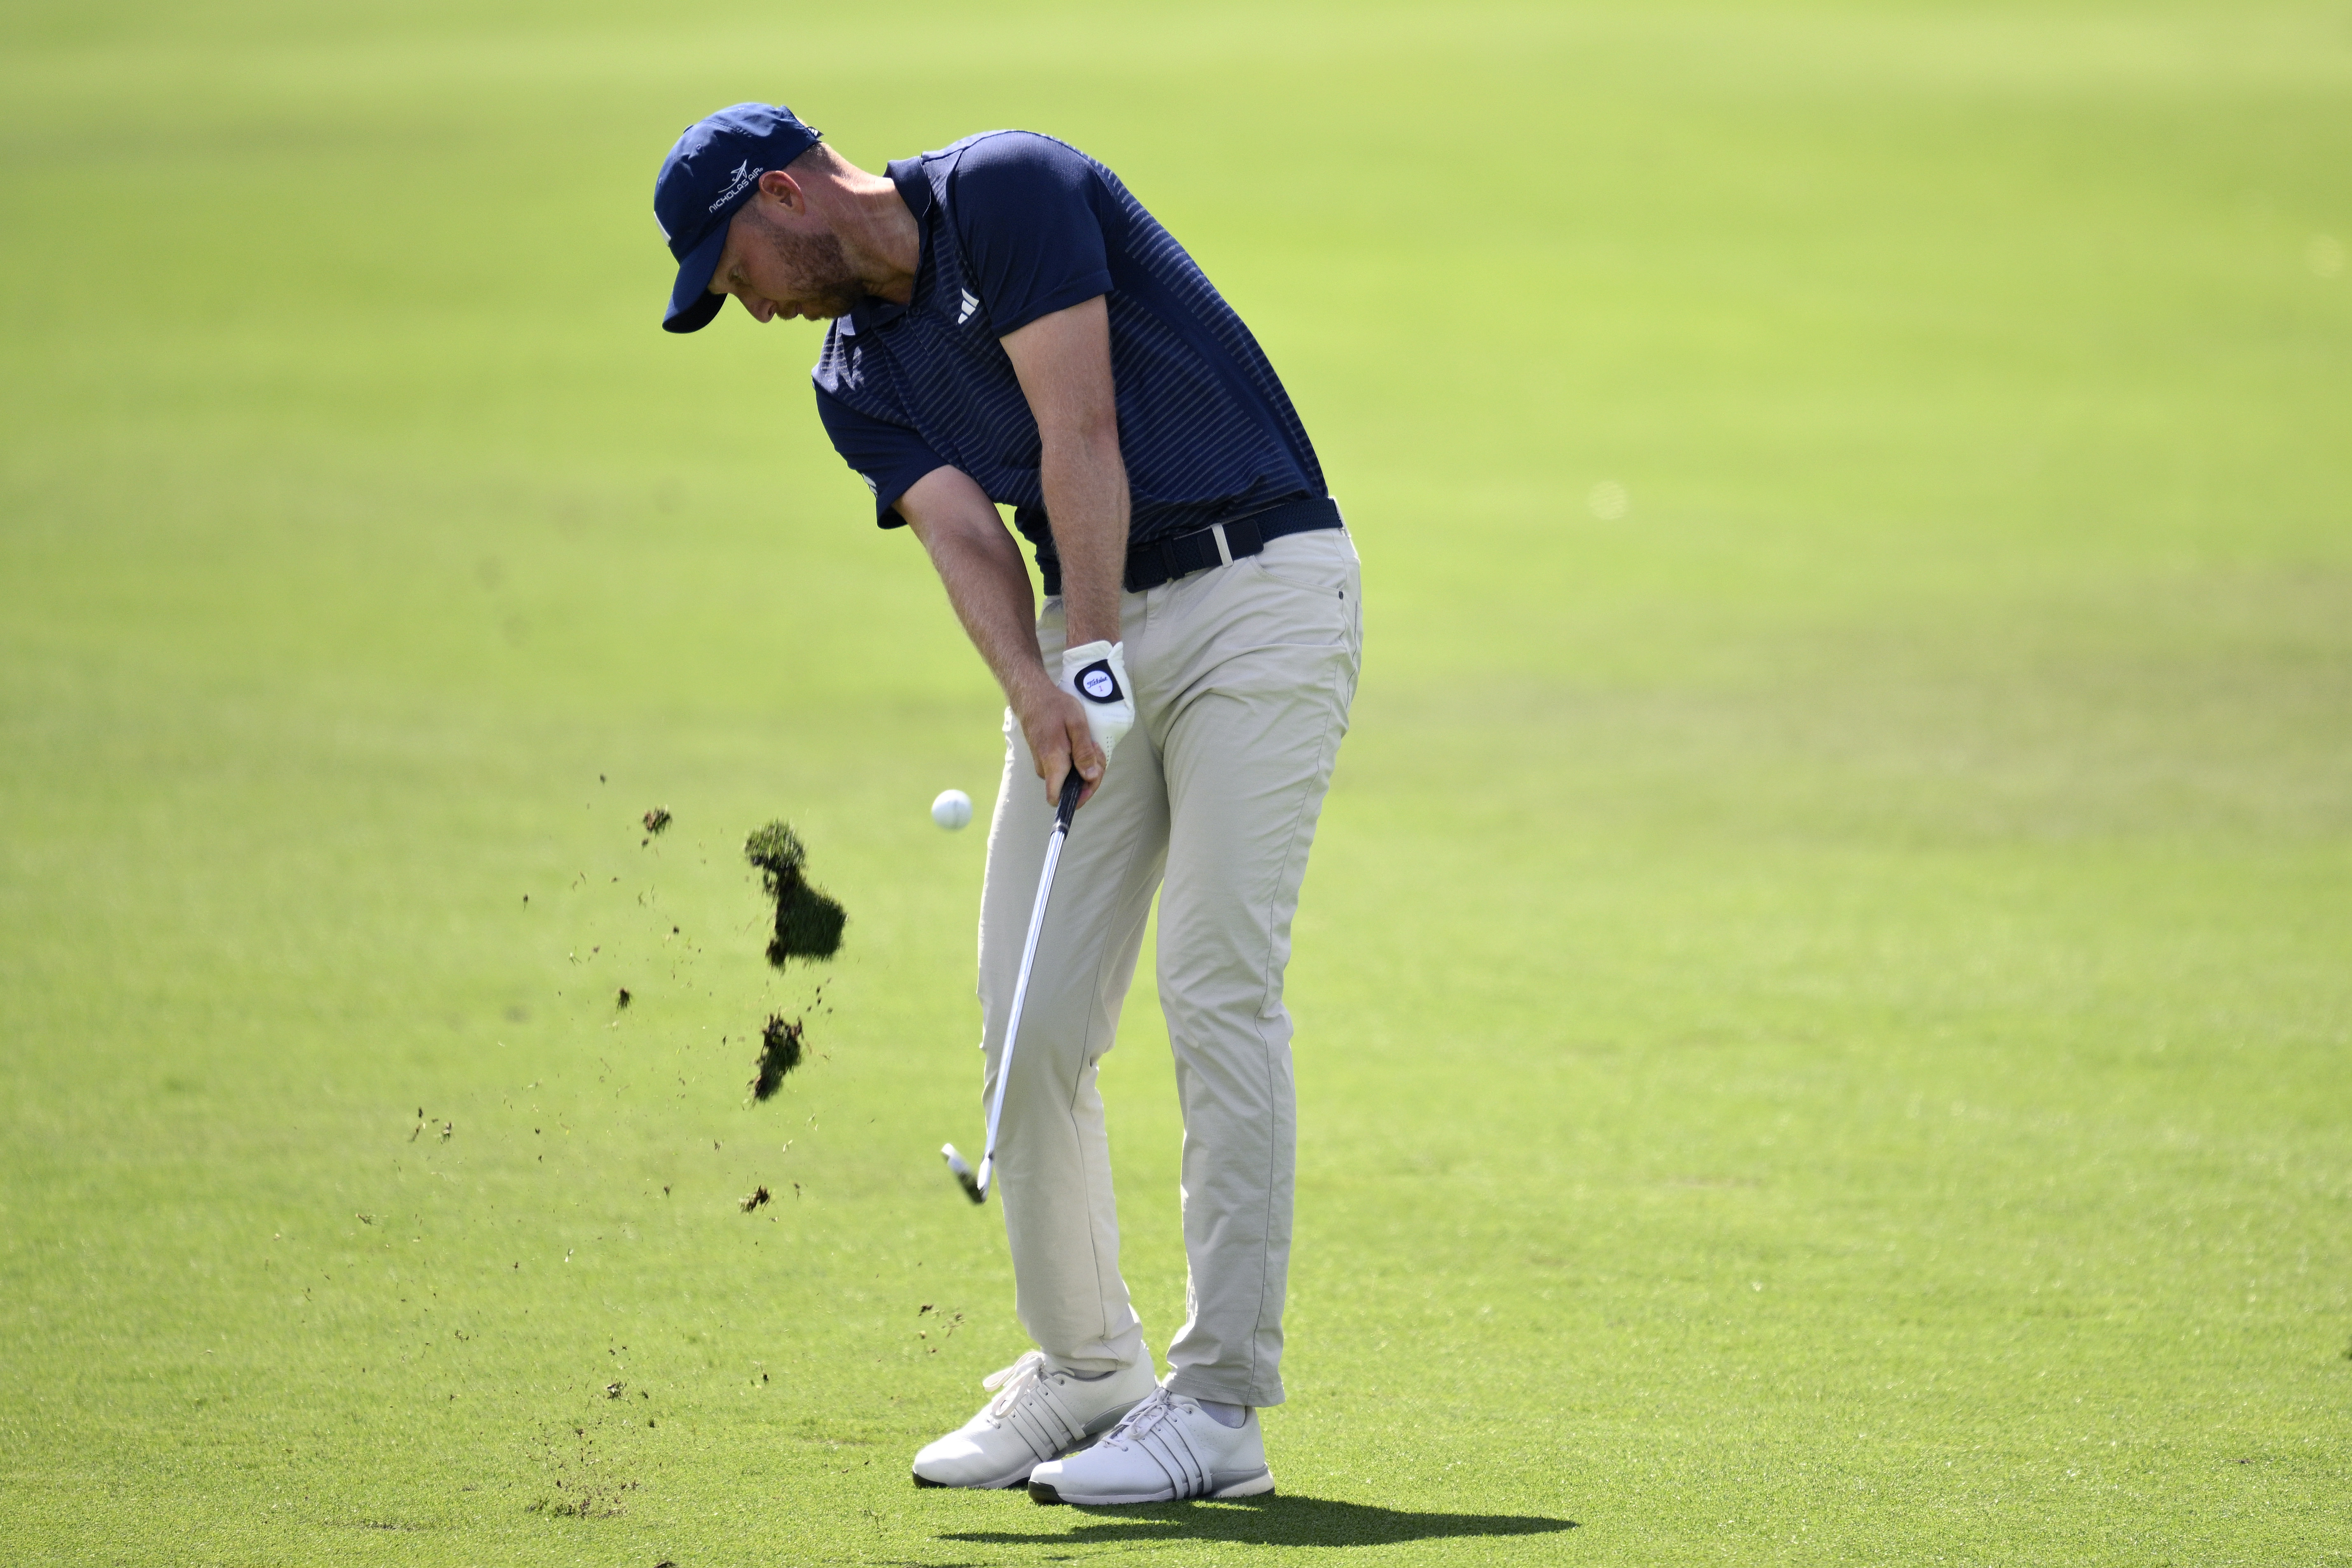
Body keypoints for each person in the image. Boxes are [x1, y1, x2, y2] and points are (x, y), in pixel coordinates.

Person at [652, 103, 1361, 1506]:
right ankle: (1091, 1366)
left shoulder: (1012, 190)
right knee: (1027, 1016)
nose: (745, 308)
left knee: (1214, 982)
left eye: (734, 270)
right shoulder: (851, 374)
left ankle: (1218, 1407)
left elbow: (1077, 429)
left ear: (784, 193)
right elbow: (967, 535)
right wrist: (1042, 688)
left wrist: (1083, 648)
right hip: (1091, 627)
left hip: (1260, 592)